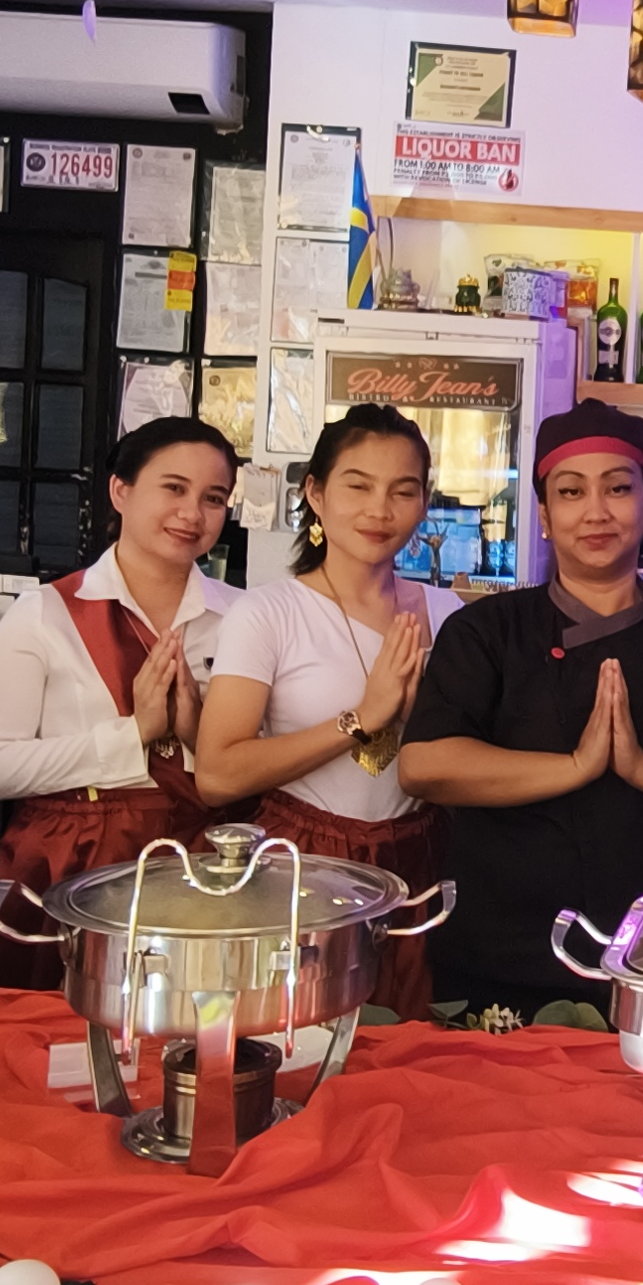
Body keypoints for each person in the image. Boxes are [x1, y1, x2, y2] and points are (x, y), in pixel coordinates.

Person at [399, 399, 643, 1013]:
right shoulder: (487, 630)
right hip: (500, 956)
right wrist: (575, 766)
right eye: (571, 491)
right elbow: (424, 764)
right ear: (544, 515)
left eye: (618, 488)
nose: (596, 511)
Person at [0, 414, 239, 982]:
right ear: (120, 491)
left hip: (202, 862)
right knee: (54, 1021)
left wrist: (195, 732)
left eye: (213, 498)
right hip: (70, 859)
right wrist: (133, 735)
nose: (193, 513)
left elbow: (260, 762)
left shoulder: (244, 616)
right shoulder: (44, 613)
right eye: (173, 488)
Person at [195, 404, 451, 1016]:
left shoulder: (448, 615)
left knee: (411, 1041)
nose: (379, 510)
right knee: (304, 1033)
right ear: (314, 493)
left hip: (422, 858)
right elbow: (218, 774)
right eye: (358, 486)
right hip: (304, 862)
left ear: (424, 502)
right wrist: (360, 719)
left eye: (403, 491)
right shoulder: (267, 614)